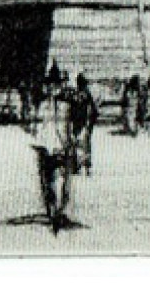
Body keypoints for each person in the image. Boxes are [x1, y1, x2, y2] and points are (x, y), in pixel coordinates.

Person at [25, 79, 75, 232]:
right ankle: (53, 211)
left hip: (60, 148)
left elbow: (70, 127)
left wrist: (69, 144)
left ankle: (58, 211)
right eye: (50, 86)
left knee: (60, 181)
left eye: (55, 86)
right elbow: (34, 126)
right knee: (48, 182)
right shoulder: (42, 106)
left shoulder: (65, 106)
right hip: (46, 148)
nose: (52, 89)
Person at [69, 73, 98, 175]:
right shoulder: (86, 94)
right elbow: (93, 109)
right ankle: (87, 166)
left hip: (76, 122)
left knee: (76, 143)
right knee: (86, 144)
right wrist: (92, 122)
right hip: (84, 121)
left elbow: (70, 109)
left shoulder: (74, 94)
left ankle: (77, 165)